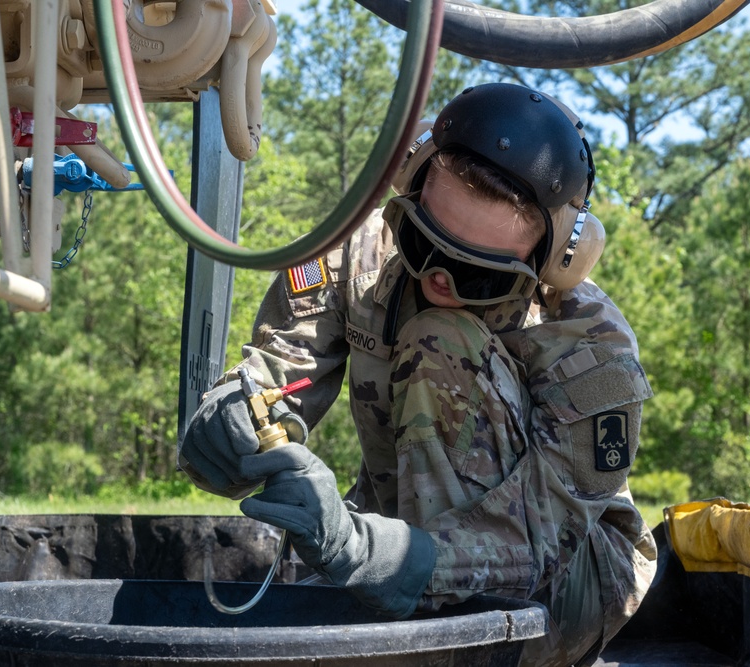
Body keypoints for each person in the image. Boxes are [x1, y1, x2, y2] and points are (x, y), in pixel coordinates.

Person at [179, 82, 657, 665]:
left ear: (548, 265)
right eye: (420, 242)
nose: (438, 282)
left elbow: (536, 542)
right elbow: (273, 378)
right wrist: (229, 423)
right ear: (410, 186)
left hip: (564, 578)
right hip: (394, 546)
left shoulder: (589, 346)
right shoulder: (353, 258)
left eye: (475, 275)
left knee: (441, 340)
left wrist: (364, 552)